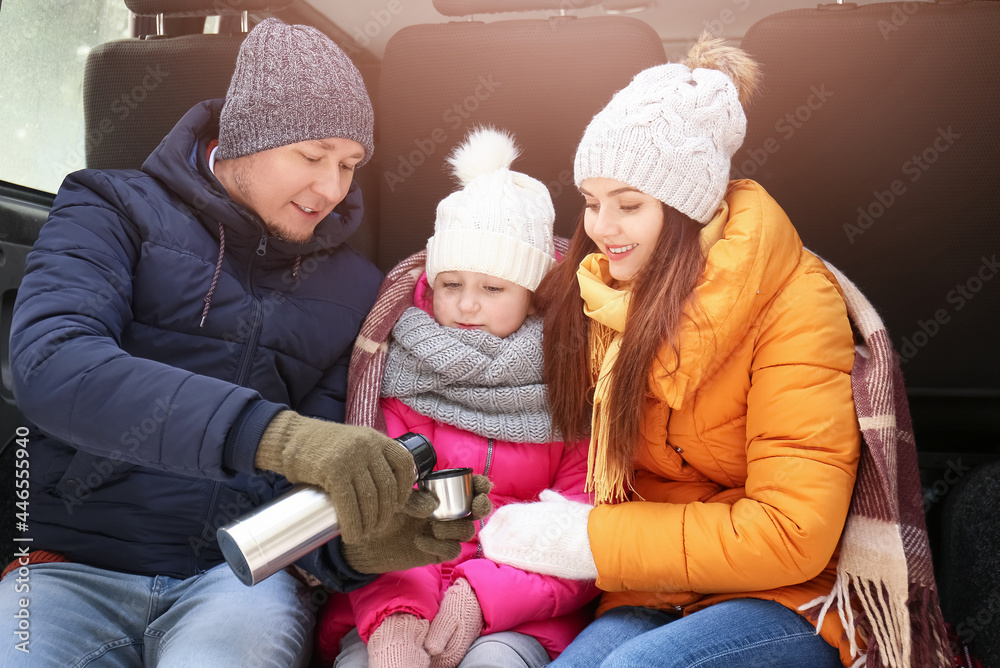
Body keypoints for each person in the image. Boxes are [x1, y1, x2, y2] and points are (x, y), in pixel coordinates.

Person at [1, 18, 482, 667]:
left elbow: (303, 492)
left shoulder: (355, 288)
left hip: (238, 581)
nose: (332, 189)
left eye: (349, 165)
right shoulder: (109, 208)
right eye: (312, 157)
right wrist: (277, 437)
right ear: (244, 137)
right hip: (69, 567)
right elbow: (54, 366)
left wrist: (360, 551)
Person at [479, 35, 868, 667]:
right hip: (650, 588)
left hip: (783, 599)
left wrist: (591, 540)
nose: (602, 228)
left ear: (687, 209)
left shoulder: (796, 303)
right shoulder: (598, 295)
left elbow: (793, 532)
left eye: (628, 205)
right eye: (592, 202)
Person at [317, 127, 600, 668]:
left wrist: (480, 596)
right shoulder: (395, 377)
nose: (467, 305)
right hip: (390, 603)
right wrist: (397, 616)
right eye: (451, 284)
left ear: (535, 296)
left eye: (493, 289)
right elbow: (373, 517)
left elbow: (582, 533)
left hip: (521, 615)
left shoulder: (570, 389)